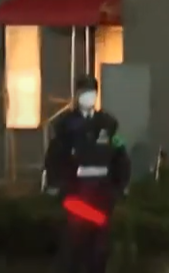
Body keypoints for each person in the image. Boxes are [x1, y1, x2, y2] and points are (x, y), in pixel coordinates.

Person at [43, 75, 131, 273]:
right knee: (75, 244)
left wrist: (122, 184)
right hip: (76, 193)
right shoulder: (65, 125)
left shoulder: (108, 124)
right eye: (84, 93)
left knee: (99, 247)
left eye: (91, 92)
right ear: (77, 95)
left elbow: (120, 154)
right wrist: (56, 184)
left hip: (102, 193)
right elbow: (55, 156)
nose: (88, 97)